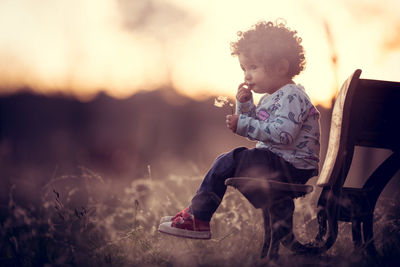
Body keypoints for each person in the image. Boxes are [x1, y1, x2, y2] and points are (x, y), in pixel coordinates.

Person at [158, 20, 320, 240]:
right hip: (279, 161)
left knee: (228, 160)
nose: (246, 75)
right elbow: (261, 127)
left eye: (253, 67)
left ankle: (198, 217)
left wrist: (243, 124)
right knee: (229, 160)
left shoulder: (291, 95)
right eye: (244, 68)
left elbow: (283, 135)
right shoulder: (272, 98)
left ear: (281, 67)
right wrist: (244, 106)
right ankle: (196, 215)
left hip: (290, 166)